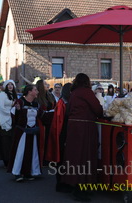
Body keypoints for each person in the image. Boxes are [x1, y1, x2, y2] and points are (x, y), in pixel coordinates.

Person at [60, 73, 103, 201]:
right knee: (85, 156)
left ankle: (75, 185)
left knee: (74, 156)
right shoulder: (86, 92)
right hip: (85, 128)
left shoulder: (73, 93)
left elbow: (68, 111)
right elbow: (97, 109)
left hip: (74, 127)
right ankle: (81, 188)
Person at [7, 84, 41, 182]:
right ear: (29, 92)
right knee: (20, 152)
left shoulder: (36, 104)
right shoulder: (20, 102)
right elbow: (13, 115)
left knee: (31, 152)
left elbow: (41, 115)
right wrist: (18, 111)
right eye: (35, 90)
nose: (37, 92)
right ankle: (17, 173)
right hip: (22, 132)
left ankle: (28, 172)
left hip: (32, 131)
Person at [46, 83, 72, 192]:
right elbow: (59, 121)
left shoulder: (66, 102)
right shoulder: (62, 102)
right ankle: (60, 183)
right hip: (63, 134)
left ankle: (63, 182)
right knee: (61, 160)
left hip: (65, 134)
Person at [0, 80, 17, 167]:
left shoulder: (14, 95)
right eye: (8, 84)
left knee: (10, 140)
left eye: (12, 84)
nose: (10, 86)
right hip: (3, 119)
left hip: (11, 119)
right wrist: (10, 113)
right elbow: (1, 107)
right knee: (5, 141)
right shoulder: (2, 95)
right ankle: (6, 159)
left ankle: (10, 158)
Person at [35, 79, 56, 166]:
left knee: (50, 140)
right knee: (43, 141)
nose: (47, 85)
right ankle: (42, 159)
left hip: (50, 121)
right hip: (42, 122)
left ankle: (49, 158)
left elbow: (54, 105)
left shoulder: (50, 95)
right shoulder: (38, 97)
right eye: (45, 84)